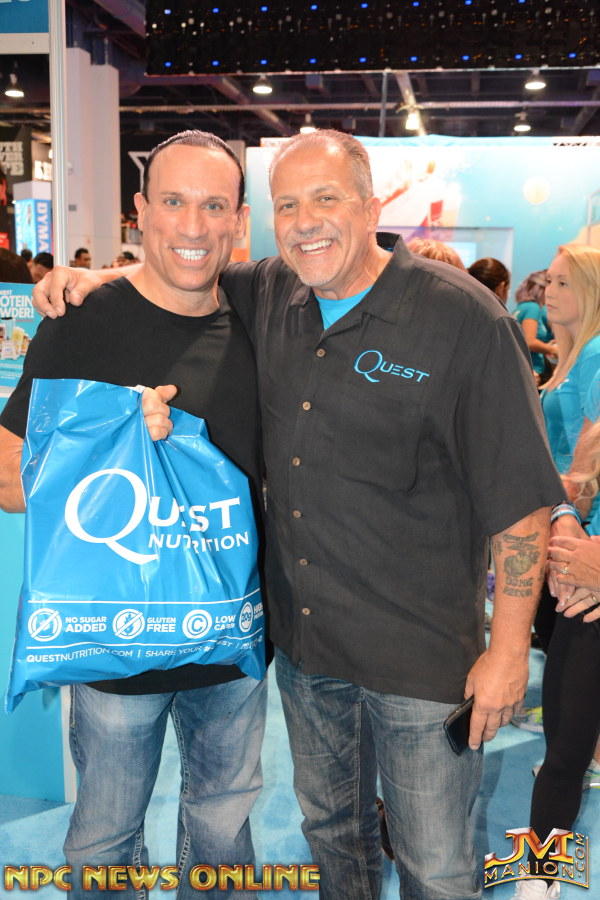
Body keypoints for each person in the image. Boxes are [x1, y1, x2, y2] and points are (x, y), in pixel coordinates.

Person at [33, 129, 565, 900]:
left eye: (326, 199)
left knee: (437, 864)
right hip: (309, 655)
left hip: (421, 661)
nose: (306, 221)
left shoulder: (463, 320)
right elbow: (184, 260)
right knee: (332, 836)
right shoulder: (271, 292)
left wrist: (510, 650)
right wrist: (90, 277)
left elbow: (519, 503)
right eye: (288, 205)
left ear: (373, 208)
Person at [0, 131, 267, 900]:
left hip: (233, 641)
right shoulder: (82, 321)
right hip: (114, 647)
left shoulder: (262, 321)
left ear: (239, 220)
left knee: (223, 835)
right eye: (174, 202)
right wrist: (111, 442)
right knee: (105, 839)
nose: (193, 226)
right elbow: (9, 478)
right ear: (141, 211)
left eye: (213, 206)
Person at [508, 248, 600, 900]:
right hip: (581, 570)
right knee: (565, 738)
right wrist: (567, 525)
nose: (546, 291)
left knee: (566, 741)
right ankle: (541, 875)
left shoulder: (594, 357)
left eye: (563, 282)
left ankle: (540, 876)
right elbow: (575, 474)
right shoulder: (577, 356)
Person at [513, 270, 557, 385]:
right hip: (532, 372)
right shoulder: (533, 308)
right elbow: (530, 342)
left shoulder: (521, 307)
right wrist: (553, 350)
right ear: (542, 289)